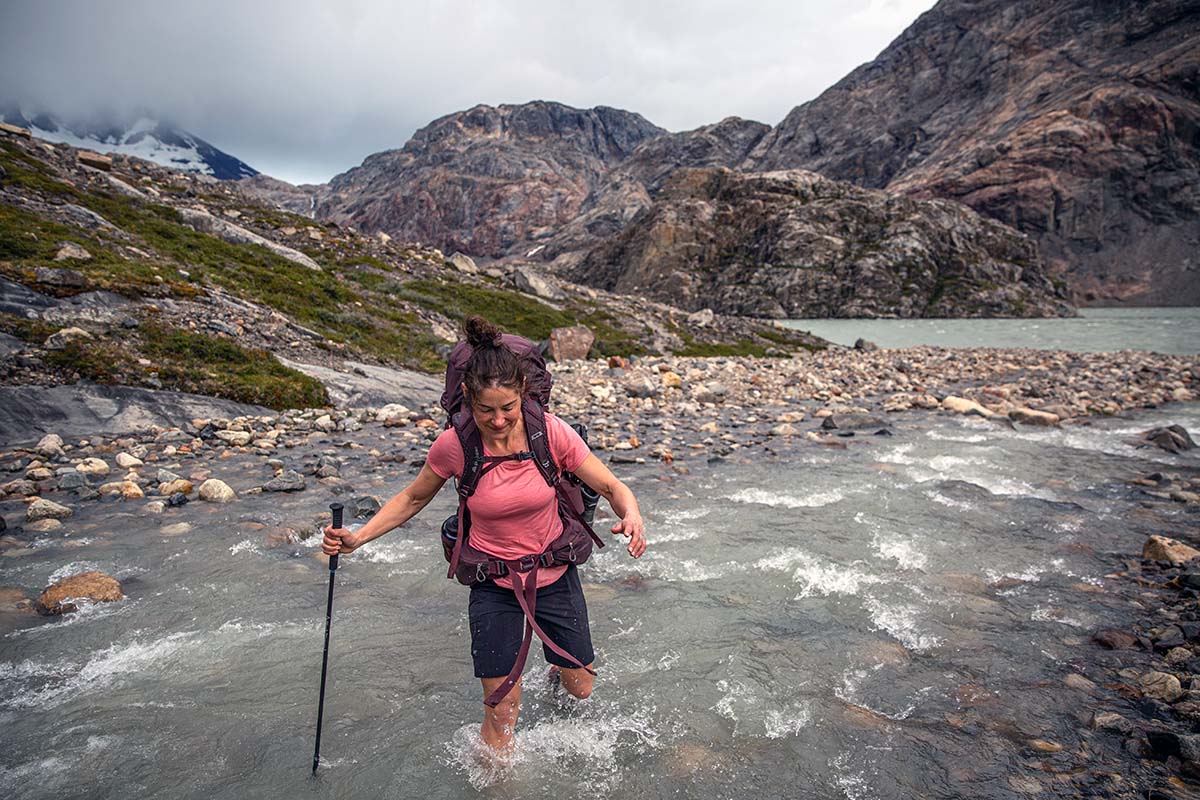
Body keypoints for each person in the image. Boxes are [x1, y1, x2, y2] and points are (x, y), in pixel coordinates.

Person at [321, 315, 647, 752]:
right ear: (469, 401)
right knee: (501, 709)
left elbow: (611, 485)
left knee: (581, 688)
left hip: (554, 575)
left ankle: (557, 669)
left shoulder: (549, 433)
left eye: (508, 409)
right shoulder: (456, 444)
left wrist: (632, 515)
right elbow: (412, 499)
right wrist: (358, 538)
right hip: (493, 584)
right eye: (485, 410)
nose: (497, 420)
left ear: (523, 397)